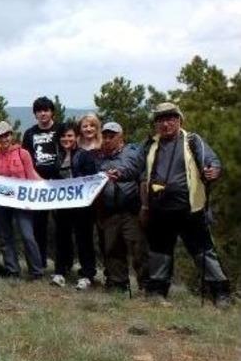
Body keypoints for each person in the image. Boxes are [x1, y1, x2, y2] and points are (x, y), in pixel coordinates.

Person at [112, 103, 231, 306]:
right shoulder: (149, 145)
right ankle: (157, 293)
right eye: (160, 120)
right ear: (156, 124)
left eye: (170, 119)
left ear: (179, 120)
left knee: (203, 252)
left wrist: (213, 170)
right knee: (160, 252)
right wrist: (120, 173)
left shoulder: (193, 141)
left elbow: (211, 161)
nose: (165, 124)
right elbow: (133, 167)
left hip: (190, 209)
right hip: (160, 211)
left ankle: (221, 294)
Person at [93, 122, 147, 292]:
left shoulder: (132, 151)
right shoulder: (98, 158)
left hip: (131, 210)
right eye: (105, 136)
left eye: (112, 136)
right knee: (112, 249)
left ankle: (148, 286)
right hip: (108, 211)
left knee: (139, 248)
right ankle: (118, 285)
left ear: (121, 136)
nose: (108, 140)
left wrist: (120, 173)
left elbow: (134, 169)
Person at [0, 121, 43, 279]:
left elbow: (31, 175)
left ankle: (36, 271)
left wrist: (44, 188)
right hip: (2, 200)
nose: (3, 138)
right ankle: (12, 269)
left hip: (22, 200)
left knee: (27, 235)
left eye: (6, 135)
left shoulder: (22, 153)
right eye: (0, 136)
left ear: (11, 135)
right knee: (5, 236)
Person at [50, 122, 98, 289]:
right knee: (62, 238)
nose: (66, 139)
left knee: (83, 239)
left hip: (82, 207)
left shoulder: (85, 156)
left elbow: (91, 180)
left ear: (77, 137)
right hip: (63, 206)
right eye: (63, 136)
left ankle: (87, 274)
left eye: (70, 135)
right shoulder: (59, 157)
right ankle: (60, 271)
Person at [22, 96, 63, 268]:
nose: (43, 113)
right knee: (39, 226)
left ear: (52, 111)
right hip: (38, 186)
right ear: (35, 114)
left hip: (61, 184)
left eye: (46, 110)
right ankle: (40, 263)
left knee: (62, 226)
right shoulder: (30, 133)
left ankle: (63, 265)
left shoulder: (61, 129)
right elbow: (26, 159)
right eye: (39, 111)